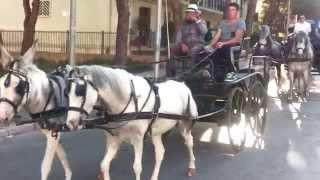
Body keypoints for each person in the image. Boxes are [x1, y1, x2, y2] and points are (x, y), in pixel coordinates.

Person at [207, 2, 246, 81]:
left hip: (235, 46)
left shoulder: (240, 22)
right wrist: (210, 46)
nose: (230, 12)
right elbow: (217, 36)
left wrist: (223, 43)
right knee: (212, 52)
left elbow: (237, 38)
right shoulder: (222, 23)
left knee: (226, 48)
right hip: (222, 45)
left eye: (233, 10)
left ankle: (232, 72)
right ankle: (215, 72)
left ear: (237, 12)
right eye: (229, 10)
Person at [167, 4, 207, 77]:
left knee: (192, 51)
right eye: (188, 13)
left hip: (198, 45)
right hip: (184, 44)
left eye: (191, 13)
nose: (189, 15)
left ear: (195, 14)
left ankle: (187, 74)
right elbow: (178, 37)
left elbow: (204, 31)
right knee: (172, 48)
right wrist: (182, 44)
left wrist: (196, 20)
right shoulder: (183, 24)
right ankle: (171, 74)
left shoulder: (201, 22)